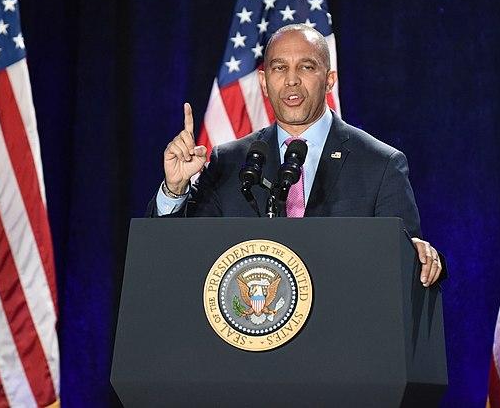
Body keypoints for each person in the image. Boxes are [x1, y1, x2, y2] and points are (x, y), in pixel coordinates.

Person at [148, 24, 445, 286]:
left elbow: (407, 263)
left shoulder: (380, 165)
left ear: (329, 81)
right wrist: (174, 190)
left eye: (306, 67)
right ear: (264, 83)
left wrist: (422, 257)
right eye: (279, 68)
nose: (291, 80)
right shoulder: (229, 161)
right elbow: (179, 258)